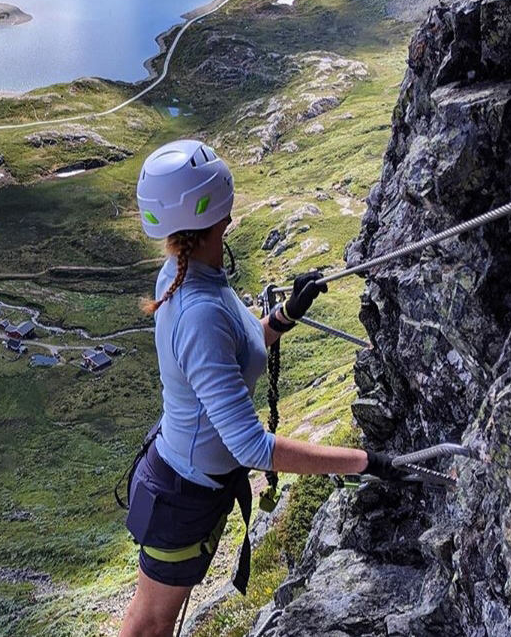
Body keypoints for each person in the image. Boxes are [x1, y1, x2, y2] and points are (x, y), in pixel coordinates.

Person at [120, 140, 401, 637]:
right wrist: (363, 462)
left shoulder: (192, 274)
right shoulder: (199, 308)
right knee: (150, 627)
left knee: (153, 622)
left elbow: (236, 345)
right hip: (184, 497)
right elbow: (249, 445)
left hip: (187, 485)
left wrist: (283, 317)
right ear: (217, 208)